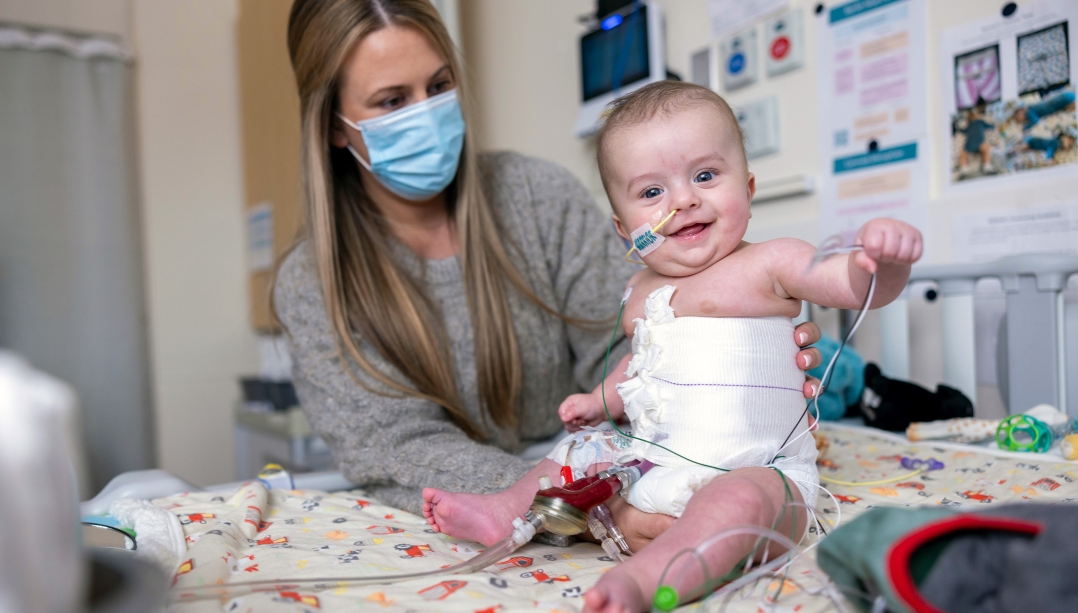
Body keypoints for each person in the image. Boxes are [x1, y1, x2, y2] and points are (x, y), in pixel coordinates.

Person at [274, 0, 823, 552]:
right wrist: (580, 504)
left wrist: (728, 349)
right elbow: (398, 446)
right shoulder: (311, 284)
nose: (427, 113)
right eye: (393, 101)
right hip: (575, 483)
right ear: (334, 127)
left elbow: (625, 350)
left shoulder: (539, 197)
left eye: (439, 86)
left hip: (620, 459)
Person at [422, 82, 922, 613]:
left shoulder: (772, 262)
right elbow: (642, 369)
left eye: (705, 176)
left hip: (756, 467)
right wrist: (599, 401)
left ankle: (649, 579)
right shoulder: (639, 291)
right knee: (571, 453)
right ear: (625, 231)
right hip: (649, 462)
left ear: (748, 188)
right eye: (651, 192)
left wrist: (881, 263)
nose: (683, 200)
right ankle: (508, 511)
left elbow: (850, 284)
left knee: (742, 501)